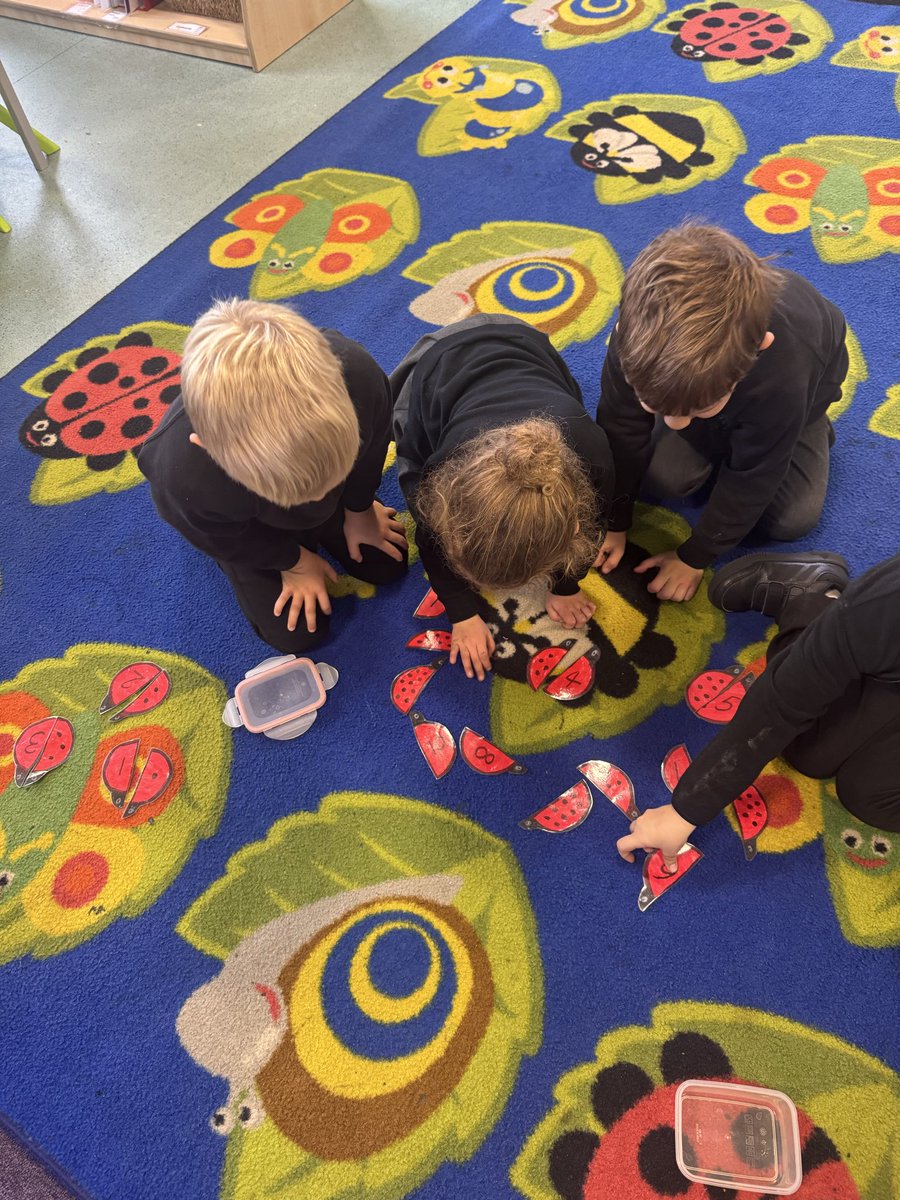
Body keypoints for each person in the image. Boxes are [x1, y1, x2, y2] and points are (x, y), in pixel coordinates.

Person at [594, 223, 848, 603]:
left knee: (792, 520)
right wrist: (614, 520)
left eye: (699, 408)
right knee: (659, 476)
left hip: (795, 407)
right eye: (655, 407)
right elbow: (619, 428)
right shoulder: (633, 339)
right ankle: (695, 406)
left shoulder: (784, 376)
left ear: (760, 347)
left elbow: (753, 477)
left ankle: (809, 429)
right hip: (723, 395)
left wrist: (695, 557)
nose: (674, 424)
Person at [139, 298, 407, 653]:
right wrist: (292, 561)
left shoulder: (360, 377)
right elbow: (215, 533)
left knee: (388, 564)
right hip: (250, 528)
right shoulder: (183, 476)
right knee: (298, 634)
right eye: (309, 494)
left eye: (325, 485)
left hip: (325, 491)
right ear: (210, 449)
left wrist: (358, 509)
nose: (317, 501)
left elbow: (372, 449)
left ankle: (330, 498)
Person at [617, 550, 900, 876]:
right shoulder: (886, 605)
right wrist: (687, 810)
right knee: (809, 749)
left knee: (866, 794)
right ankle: (816, 597)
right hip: (873, 638)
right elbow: (787, 699)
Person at [391, 314, 613, 681]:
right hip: (437, 363)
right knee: (407, 457)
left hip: (526, 343)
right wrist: (462, 613)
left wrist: (565, 587)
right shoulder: (443, 471)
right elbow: (431, 540)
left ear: (575, 525)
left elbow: (596, 527)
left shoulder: (594, 456)